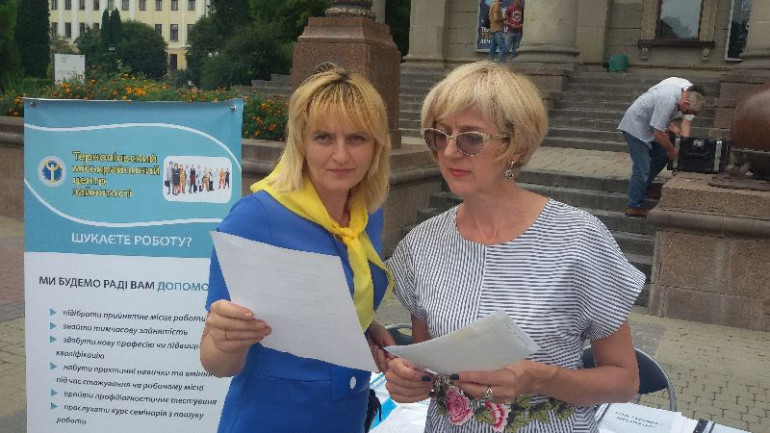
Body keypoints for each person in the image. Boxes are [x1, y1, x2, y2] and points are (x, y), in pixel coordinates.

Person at [384, 61, 644, 433]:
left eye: (471, 138)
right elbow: (427, 365)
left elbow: (624, 381)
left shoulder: (578, 238)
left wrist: (538, 378)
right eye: (439, 136)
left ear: (516, 148)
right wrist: (407, 378)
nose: (450, 151)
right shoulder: (422, 243)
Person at [200, 67, 396, 433]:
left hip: (347, 416)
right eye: (324, 137)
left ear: (377, 146)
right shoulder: (256, 219)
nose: (341, 155)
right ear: (301, 143)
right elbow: (216, 363)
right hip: (274, 419)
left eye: (357, 138)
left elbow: (324, 299)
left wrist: (362, 327)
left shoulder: (368, 214)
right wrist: (225, 339)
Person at [618, 77, 705, 217]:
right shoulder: (669, 99)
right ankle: (634, 206)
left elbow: (667, 119)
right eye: (687, 111)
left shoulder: (685, 94)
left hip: (649, 125)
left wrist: (677, 138)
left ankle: (642, 188)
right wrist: (671, 150)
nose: (686, 115)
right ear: (686, 103)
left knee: (661, 156)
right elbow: (658, 132)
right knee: (642, 167)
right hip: (635, 127)